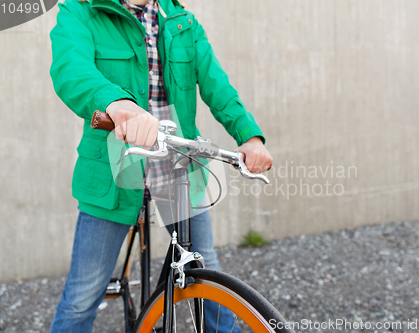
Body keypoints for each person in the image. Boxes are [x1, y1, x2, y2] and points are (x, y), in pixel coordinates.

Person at [48, 0, 273, 331]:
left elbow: (217, 84)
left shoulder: (181, 19)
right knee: (83, 296)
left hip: (179, 170)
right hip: (114, 174)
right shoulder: (81, 11)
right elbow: (70, 68)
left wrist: (250, 136)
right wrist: (119, 104)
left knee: (205, 275)